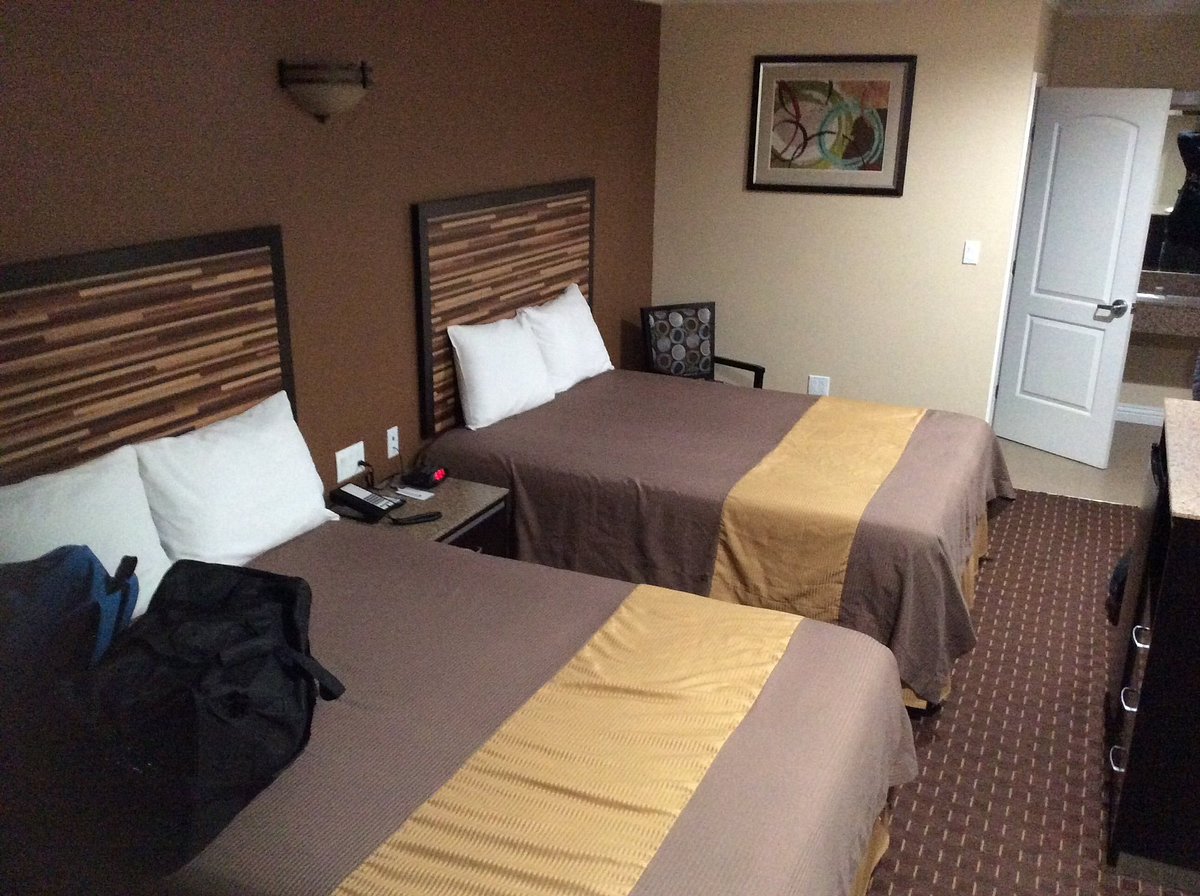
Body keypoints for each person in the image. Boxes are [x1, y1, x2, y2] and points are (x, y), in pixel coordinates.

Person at [1160, 130, 1200, 274]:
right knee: (1163, 278)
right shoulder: (1196, 162)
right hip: (1176, 234)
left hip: (1195, 243)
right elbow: (1184, 137)